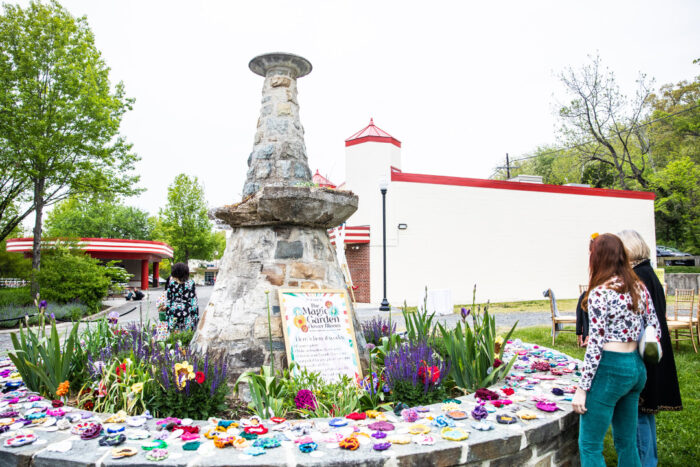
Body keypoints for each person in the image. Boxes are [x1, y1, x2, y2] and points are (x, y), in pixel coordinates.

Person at [573, 233, 661, 467]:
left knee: (590, 445)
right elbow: (655, 329)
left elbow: (595, 344)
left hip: (610, 369)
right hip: (636, 367)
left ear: (598, 258)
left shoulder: (600, 292)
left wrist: (583, 388)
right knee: (626, 442)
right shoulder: (638, 287)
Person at [618, 230, 682, 467]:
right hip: (653, 349)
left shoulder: (638, 277)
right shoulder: (647, 272)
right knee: (644, 413)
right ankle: (649, 459)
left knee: (638, 413)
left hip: (645, 352)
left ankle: (645, 462)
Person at [165, 262, 199, 332]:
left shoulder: (172, 283)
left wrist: (168, 313)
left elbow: (169, 299)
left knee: (174, 335)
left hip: (174, 313)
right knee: (186, 334)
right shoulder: (190, 283)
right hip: (187, 313)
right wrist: (196, 316)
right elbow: (193, 300)